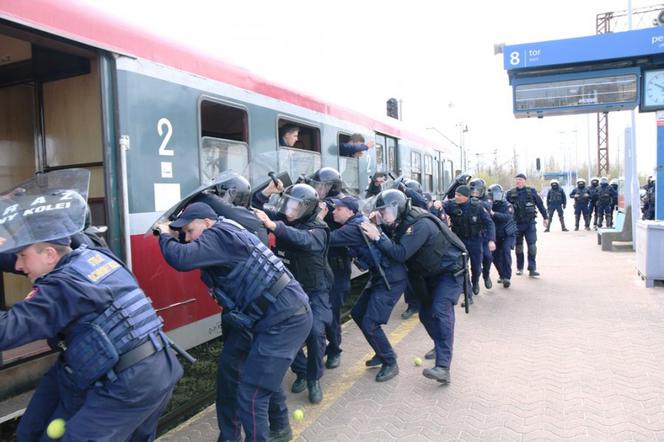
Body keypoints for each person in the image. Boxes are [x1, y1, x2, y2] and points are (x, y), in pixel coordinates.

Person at [2, 222, 182, 442]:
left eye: (21, 255)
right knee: (30, 430)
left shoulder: (64, 288)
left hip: (129, 384)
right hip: (136, 364)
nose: (18, 265)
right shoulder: (93, 254)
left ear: (49, 254)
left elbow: (6, 331)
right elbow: (40, 251)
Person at [156, 202, 312, 442]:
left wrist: (166, 235)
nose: (187, 238)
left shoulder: (219, 235)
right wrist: (177, 233)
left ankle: (274, 430)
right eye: (183, 234)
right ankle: (272, 429)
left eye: (189, 231)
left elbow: (181, 259)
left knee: (252, 393)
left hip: (284, 318)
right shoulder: (222, 232)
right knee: (246, 375)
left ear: (207, 222)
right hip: (263, 318)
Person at [188, 173, 294, 441]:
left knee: (231, 377)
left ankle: (230, 435)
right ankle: (280, 424)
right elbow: (244, 204)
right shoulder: (247, 218)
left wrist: (198, 196)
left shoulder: (236, 222)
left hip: (245, 312)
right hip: (256, 309)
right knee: (261, 372)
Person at [360, 189, 467, 385]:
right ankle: (441, 344)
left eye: (386, 212)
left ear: (398, 208)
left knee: (440, 310)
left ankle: (443, 367)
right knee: (426, 313)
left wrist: (377, 236)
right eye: (381, 212)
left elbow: (400, 253)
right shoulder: (398, 223)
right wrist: (379, 226)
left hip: (448, 271)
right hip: (426, 272)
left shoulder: (419, 224)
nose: (384, 216)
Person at [254, 183, 332, 405]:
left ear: (307, 208)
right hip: (290, 289)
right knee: (286, 332)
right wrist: (265, 193)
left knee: (316, 332)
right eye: (288, 203)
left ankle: (314, 379)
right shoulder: (283, 218)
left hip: (315, 288)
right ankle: (302, 370)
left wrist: (274, 226)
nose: (290, 209)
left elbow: (304, 240)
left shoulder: (318, 228)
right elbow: (255, 207)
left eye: (296, 205)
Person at [327, 195, 408, 382]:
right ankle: (381, 353)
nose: (333, 212)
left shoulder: (352, 228)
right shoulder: (358, 222)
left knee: (371, 323)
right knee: (357, 313)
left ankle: (390, 361)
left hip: (391, 278)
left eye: (337, 209)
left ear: (349, 211)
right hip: (380, 276)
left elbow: (326, 239)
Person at [443, 185, 496, 296]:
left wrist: (491, 240)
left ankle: (475, 282)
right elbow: (439, 207)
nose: (456, 197)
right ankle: (467, 289)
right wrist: (437, 204)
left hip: (475, 240)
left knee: (476, 268)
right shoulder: (451, 205)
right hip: (459, 241)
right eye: (456, 195)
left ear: (466, 197)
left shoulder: (478, 206)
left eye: (459, 195)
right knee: (461, 266)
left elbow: (489, 223)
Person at [505, 174, 548, 277]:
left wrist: (545, 217)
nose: (518, 181)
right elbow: (504, 207)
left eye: (520, 180)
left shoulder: (531, 192)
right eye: (517, 180)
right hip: (516, 224)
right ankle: (520, 268)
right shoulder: (510, 194)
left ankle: (532, 268)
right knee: (518, 247)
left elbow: (540, 205)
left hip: (530, 224)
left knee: (532, 246)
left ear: (524, 181)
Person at [487, 184, 517, 288]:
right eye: (493, 195)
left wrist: (493, 213)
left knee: (505, 252)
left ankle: (507, 277)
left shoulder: (506, 205)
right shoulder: (488, 204)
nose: (495, 196)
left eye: (497, 194)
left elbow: (507, 217)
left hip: (507, 234)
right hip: (495, 235)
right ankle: (502, 275)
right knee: (494, 256)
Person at [469, 178, 495, 289]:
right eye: (473, 191)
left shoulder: (487, 199)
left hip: (484, 234)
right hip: (472, 234)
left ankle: (486, 275)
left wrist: (476, 202)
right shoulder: (467, 198)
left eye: (477, 191)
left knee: (488, 257)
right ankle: (475, 282)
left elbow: (488, 206)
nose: (475, 193)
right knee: (475, 264)